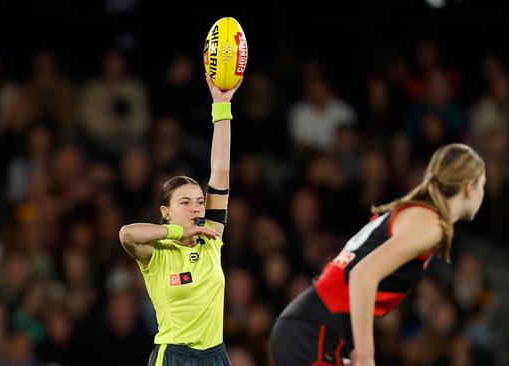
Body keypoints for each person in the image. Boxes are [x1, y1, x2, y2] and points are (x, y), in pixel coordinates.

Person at [271, 143, 486, 366]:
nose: (482, 193)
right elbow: (362, 274)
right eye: (482, 185)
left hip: (314, 329)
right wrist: (365, 354)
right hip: (316, 331)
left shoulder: (417, 214)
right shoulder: (430, 223)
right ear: (469, 187)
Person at [118, 74, 242, 366]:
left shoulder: (211, 237)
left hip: (216, 356)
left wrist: (221, 105)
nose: (196, 208)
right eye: (185, 203)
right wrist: (175, 232)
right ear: (166, 211)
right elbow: (126, 234)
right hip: (174, 356)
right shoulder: (157, 254)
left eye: (199, 202)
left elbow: (221, 172)